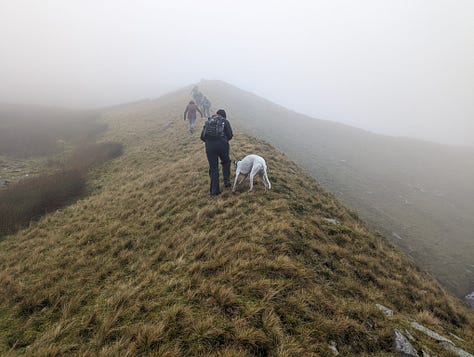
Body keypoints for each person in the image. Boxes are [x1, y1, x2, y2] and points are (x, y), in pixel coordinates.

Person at [200, 109, 233, 196]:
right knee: (226, 162)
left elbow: (202, 137)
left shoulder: (208, 122)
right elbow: (230, 135)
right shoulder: (225, 121)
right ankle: (227, 182)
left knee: (213, 168)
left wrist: (210, 141)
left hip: (210, 147)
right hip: (223, 145)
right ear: (223, 116)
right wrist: (224, 139)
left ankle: (215, 191)